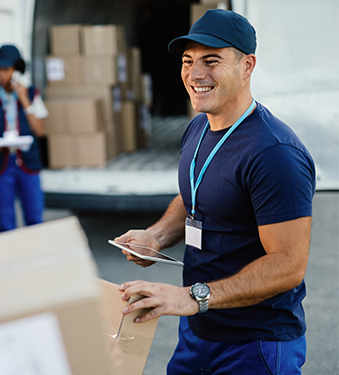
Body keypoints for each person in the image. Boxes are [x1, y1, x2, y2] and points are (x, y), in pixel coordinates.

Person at [115, 10, 315, 374]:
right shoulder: (197, 129)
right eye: (188, 61)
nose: (195, 74)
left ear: (247, 65)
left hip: (255, 343)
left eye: (212, 61)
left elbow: (288, 266)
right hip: (197, 331)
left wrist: (192, 297)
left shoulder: (274, 153)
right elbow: (194, 197)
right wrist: (155, 236)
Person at [0, 44, 48, 232]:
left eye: (6, 70)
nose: (2, 75)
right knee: (5, 222)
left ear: (16, 71)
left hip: (28, 163)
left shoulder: (31, 94)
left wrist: (24, 100)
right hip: (1, 165)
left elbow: (41, 131)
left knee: (35, 217)